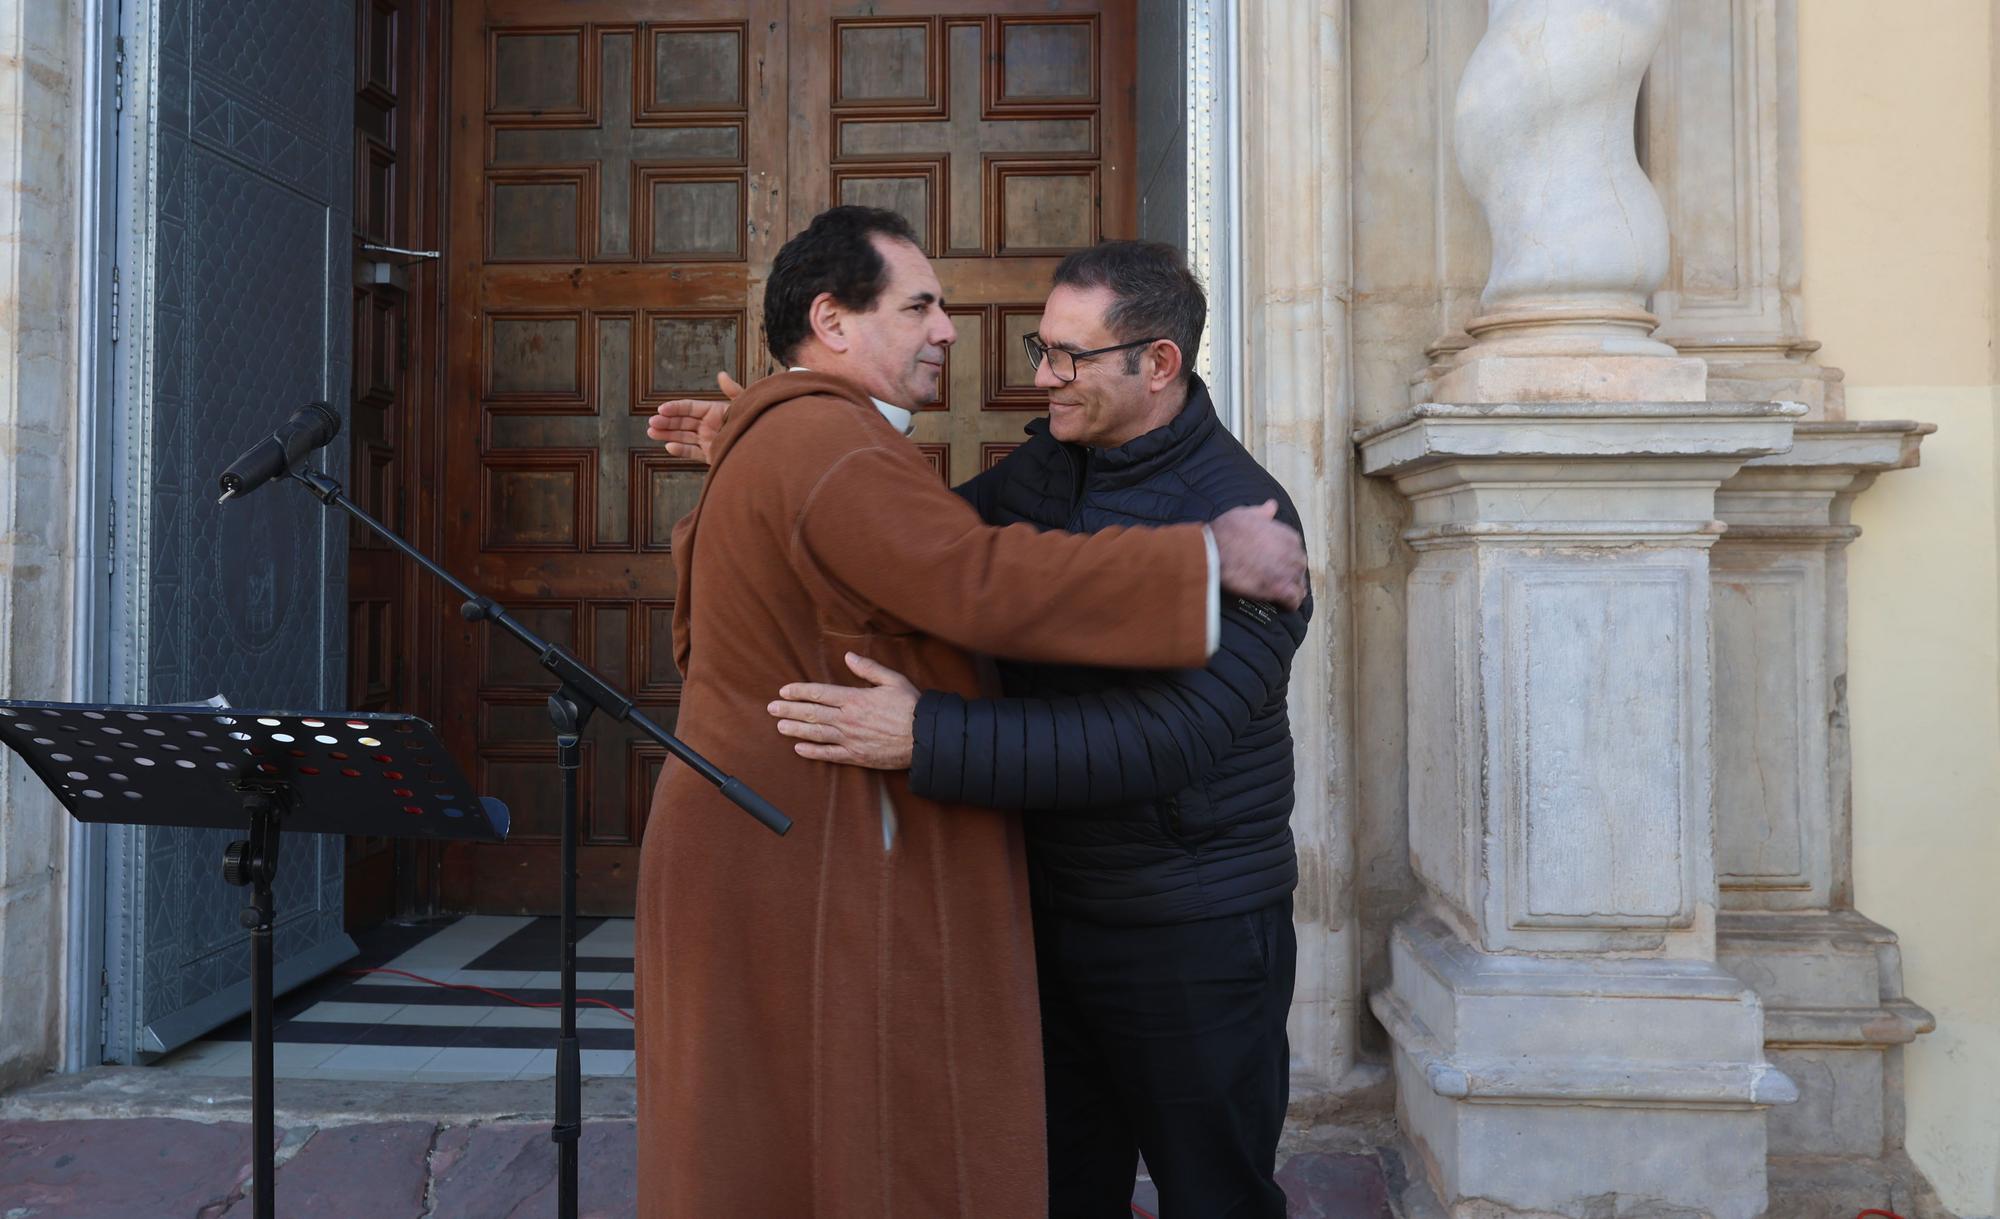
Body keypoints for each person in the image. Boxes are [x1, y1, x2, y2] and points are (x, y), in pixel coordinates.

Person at [634, 208, 1307, 1219]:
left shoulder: (1251, 517)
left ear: (1156, 362)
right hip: (1049, 907)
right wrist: (764, 447)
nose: (1037, 375)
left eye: (1068, 358)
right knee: (1053, 1187)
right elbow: (922, 553)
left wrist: (929, 736)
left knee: (1214, 1191)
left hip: (1185, 927)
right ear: (833, 319)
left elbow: (1172, 738)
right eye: (924, 305)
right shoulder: (1036, 469)